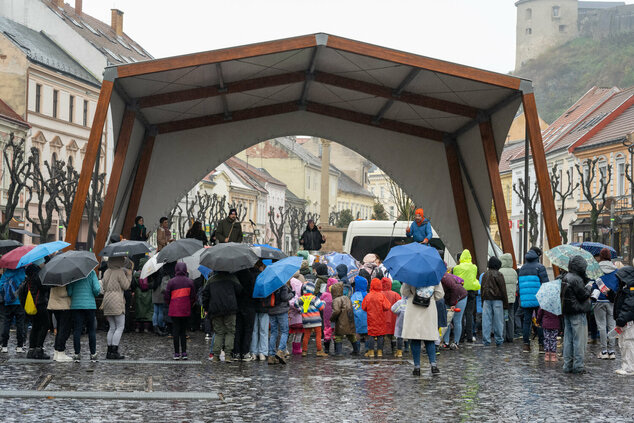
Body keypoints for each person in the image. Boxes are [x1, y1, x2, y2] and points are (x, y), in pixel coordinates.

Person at [401, 280, 445, 376]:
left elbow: (404, 292)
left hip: (413, 307)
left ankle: (417, 367)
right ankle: (433, 364)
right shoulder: (434, 277)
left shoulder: (410, 276)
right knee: (429, 338)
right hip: (429, 308)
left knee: (415, 338)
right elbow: (440, 294)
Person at [202, 270, 242, 363]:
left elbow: (205, 295)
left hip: (216, 310)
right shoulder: (232, 278)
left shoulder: (211, 280)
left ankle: (216, 356)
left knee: (218, 332)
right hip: (230, 309)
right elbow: (240, 290)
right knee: (230, 332)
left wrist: (206, 308)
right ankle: (228, 355)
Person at [561, 255, 592, 374]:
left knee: (568, 339)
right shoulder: (577, 279)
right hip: (578, 311)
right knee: (580, 340)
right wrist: (589, 287)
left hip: (568, 311)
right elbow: (583, 295)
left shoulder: (566, 276)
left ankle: (567, 365)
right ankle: (578, 366)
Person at [101, 257, 133, 360]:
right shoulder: (119, 272)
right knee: (120, 327)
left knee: (112, 327)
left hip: (107, 300)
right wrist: (129, 275)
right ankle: (115, 351)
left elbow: (104, 286)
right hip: (117, 300)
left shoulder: (106, 272)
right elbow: (126, 286)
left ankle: (109, 351)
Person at [518, 248, 549, 352]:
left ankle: (526, 345)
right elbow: (546, 284)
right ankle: (541, 345)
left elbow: (520, 285)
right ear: (537, 256)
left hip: (526, 300)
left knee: (527, 322)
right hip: (538, 299)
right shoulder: (540, 267)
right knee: (539, 321)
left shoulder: (522, 268)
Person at [67, 270, 101, 362]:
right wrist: (94, 294)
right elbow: (97, 289)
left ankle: (77, 354)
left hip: (76, 306)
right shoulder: (92, 272)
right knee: (91, 330)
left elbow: (69, 292)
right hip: (90, 305)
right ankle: (93, 354)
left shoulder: (73, 274)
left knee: (77, 330)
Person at [164, 263, 196, 360]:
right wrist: (189, 304)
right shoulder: (190, 282)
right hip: (185, 310)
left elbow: (167, 296)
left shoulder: (171, 282)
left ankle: (177, 353)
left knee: (175, 331)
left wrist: (171, 303)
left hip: (174, 310)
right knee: (183, 331)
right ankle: (184, 352)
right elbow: (193, 297)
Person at [19, 260, 49, 359]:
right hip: (40, 304)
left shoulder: (28, 278)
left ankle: (31, 350)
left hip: (32, 305)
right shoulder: (38, 276)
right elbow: (44, 288)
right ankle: (39, 349)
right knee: (45, 325)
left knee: (35, 326)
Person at [592, 248, 618, 360]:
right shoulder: (616, 270)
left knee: (601, 326)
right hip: (612, 301)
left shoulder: (596, 270)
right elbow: (618, 286)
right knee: (612, 326)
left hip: (599, 301)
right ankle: (612, 351)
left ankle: (604, 351)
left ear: (601, 257)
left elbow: (593, 286)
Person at [451, 249, 479, 343]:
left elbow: (454, 279)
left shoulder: (457, 268)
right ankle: (470, 336)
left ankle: (461, 336)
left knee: (460, 315)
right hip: (471, 292)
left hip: (460, 292)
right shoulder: (474, 267)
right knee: (469, 314)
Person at [480, 257, 508, 346]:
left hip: (486, 300)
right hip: (497, 300)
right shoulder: (499, 274)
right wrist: (506, 303)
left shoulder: (485, 274)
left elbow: (482, 289)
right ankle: (499, 340)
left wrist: (482, 300)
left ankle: (486, 340)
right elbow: (503, 289)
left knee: (486, 321)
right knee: (498, 321)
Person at [294, 282, 327, 357]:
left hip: (306, 320)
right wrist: (323, 302)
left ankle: (304, 351)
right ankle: (319, 350)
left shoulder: (300, 299)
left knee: (306, 335)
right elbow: (321, 307)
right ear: (312, 289)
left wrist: (300, 309)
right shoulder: (314, 298)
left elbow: (295, 304)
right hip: (316, 321)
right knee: (318, 335)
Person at [362, 278, 391, 358]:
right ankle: (379, 352)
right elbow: (387, 306)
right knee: (380, 335)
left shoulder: (368, 296)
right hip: (381, 318)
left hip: (371, 319)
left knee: (371, 334)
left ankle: (371, 352)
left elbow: (364, 307)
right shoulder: (381, 296)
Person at [613, 266, 634, 375]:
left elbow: (629, 306)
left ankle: (629, 368)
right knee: (625, 343)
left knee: (628, 343)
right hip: (626, 320)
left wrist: (621, 319)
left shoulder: (631, 289)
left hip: (628, 322)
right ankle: (627, 366)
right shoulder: (626, 288)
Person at [0, 267, 26, 354]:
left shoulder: (6, 274)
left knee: (6, 324)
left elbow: (1, 287)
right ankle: (19, 346)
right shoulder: (22, 272)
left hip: (8, 303)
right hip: (20, 302)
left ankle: (4, 346)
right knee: (20, 324)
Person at [47, 274, 73, 362]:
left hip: (54, 306)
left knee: (59, 328)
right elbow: (64, 293)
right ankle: (61, 351)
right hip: (63, 306)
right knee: (64, 329)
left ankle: (57, 352)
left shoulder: (53, 277)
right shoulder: (64, 278)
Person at [267, 282, 293, 364]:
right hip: (282, 310)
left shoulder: (269, 284)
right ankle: (281, 351)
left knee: (273, 332)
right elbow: (284, 297)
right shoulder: (282, 284)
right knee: (284, 331)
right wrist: (292, 294)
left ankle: (271, 356)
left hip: (271, 310)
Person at [233, 269, 256, 361]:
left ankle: (236, 352)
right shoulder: (250, 276)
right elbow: (253, 291)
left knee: (237, 329)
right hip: (249, 306)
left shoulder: (234, 275)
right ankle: (245, 352)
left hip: (238, 306)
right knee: (248, 330)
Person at [440, 271, 467, 350]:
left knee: (456, 320)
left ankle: (456, 342)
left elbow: (454, 288)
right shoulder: (436, 279)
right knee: (446, 320)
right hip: (447, 299)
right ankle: (446, 342)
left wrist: (453, 304)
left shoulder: (446, 277)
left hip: (460, 297)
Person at [330, 281, 357, 356]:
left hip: (340, 321)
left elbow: (336, 311)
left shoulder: (336, 300)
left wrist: (332, 318)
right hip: (349, 320)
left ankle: (338, 352)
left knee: (338, 336)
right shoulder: (346, 298)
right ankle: (356, 350)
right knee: (351, 335)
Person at [250, 261, 269, 361]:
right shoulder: (264, 277)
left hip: (253, 306)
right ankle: (263, 352)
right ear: (261, 266)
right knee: (264, 330)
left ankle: (253, 351)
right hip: (264, 306)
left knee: (254, 330)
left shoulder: (249, 276)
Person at [499, 253, 518, 343]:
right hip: (511, 298)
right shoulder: (514, 271)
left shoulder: (500, 271)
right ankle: (510, 336)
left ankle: (502, 336)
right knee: (511, 317)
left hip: (502, 298)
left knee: (501, 317)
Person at [381, 277, 401, 355]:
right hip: (394, 319)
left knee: (382, 336)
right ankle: (394, 350)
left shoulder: (380, 294)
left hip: (383, 318)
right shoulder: (395, 294)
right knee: (393, 335)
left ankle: (381, 350)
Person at [151, 262, 171, 336]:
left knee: (155, 311)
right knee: (161, 311)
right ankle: (161, 326)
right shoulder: (164, 269)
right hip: (161, 290)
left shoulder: (154, 268)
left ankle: (155, 326)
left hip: (155, 290)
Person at [351, 275, 369, 354]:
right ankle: (368, 349)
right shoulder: (367, 294)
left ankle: (357, 349)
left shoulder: (354, 296)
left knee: (357, 334)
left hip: (356, 318)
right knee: (367, 335)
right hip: (367, 318)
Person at [288, 278, 304, 355]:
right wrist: (300, 308)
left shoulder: (296, 296)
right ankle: (296, 348)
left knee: (296, 334)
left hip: (294, 318)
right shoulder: (295, 297)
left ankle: (296, 348)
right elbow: (293, 304)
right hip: (297, 319)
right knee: (298, 334)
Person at [321, 278, 337, 354]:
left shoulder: (324, 295)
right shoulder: (336, 295)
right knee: (335, 331)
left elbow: (320, 303)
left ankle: (326, 349)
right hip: (335, 316)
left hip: (326, 316)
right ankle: (336, 348)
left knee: (327, 330)